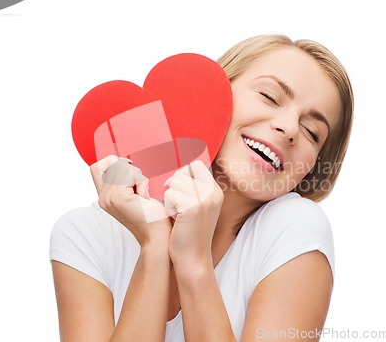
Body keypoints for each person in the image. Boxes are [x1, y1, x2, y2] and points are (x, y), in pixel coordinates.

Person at [50, 34, 354, 342]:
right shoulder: (85, 234)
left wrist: (194, 262)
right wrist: (154, 247)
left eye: (312, 132)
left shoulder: (295, 228)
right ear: (216, 94)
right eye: (269, 96)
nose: (289, 128)